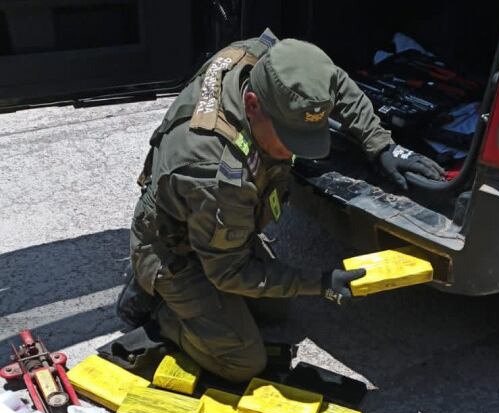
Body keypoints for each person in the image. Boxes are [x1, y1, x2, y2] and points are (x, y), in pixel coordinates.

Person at [117, 28, 443, 383]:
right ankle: (160, 307)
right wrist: (320, 282)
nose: (293, 152)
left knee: (276, 310)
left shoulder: (265, 61)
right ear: (253, 104)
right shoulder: (214, 172)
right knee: (242, 362)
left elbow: (333, 81)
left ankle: (187, 302)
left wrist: (381, 144)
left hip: (213, 226)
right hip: (174, 246)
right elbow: (229, 272)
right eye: (288, 138)